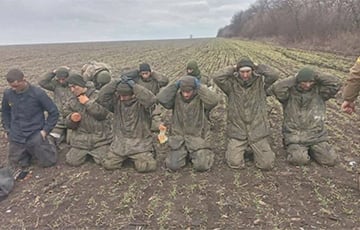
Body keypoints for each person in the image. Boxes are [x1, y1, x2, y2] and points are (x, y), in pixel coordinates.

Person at [211, 57, 278, 170]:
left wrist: (258, 66)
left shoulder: (260, 83)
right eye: (242, 72)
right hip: (238, 132)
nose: (245, 75)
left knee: (267, 164)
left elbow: (274, 75)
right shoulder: (231, 85)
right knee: (234, 163)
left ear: (252, 71)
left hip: (257, 131)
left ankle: (255, 148)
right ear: (238, 72)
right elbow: (217, 77)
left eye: (248, 71)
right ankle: (243, 148)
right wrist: (232, 68)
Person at [269, 67, 341, 166]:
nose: (307, 85)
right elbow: (277, 88)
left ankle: (313, 150)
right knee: (299, 160)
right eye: (304, 82)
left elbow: (336, 83)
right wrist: (296, 77)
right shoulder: (289, 94)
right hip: (295, 137)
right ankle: (297, 150)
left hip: (316, 136)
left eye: (310, 82)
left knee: (330, 160)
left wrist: (315, 74)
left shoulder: (320, 92)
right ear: (298, 82)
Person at [157, 75, 219, 171]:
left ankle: (204, 153)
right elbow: (161, 98)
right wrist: (175, 85)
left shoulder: (201, 99)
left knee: (202, 166)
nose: (186, 95)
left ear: (194, 90)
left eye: (188, 92)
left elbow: (214, 100)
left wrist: (199, 86)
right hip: (179, 140)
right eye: (183, 91)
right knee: (173, 166)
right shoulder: (175, 98)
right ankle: (185, 154)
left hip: (197, 139)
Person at [97, 75, 157, 173]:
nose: (121, 98)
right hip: (120, 145)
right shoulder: (116, 103)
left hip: (139, 145)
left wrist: (134, 86)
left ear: (133, 94)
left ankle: (145, 154)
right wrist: (116, 81)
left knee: (146, 167)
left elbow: (151, 99)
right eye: (120, 95)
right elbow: (101, 97)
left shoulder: (142, 104)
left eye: (125, 96)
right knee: (109, 164)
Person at [1, 68, 59, 170]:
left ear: (24, 80)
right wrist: (8, 129)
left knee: (48, 162)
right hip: (17, 135)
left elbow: (53, 112)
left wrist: (45, 131)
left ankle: (50, 140)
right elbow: (5, 112)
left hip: (35, 133)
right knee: (16, 166)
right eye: (12, 87)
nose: (14, 89)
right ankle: (26, 153)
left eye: (16, 86)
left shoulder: (38, 94)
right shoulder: (8, 94)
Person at [63, 73, 113, 167]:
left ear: (82, 85)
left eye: (74, 86)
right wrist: (71, 119)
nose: (72, 90)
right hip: (81, 141)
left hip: (100, 139)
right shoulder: (71, 101)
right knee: (72, 161)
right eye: (70, 87)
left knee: (106, 161)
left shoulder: (98, 96)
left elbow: (103, 114)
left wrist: (87, 103)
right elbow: (66, 122)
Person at [38, 66, 73, 146]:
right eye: (59, 79)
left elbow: (83, 80)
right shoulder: (55, 85)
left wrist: (70, 71)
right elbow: (42, 82)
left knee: (71, 141)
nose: (61, 81)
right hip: (59, 120)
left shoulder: (74, 85)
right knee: (51, 138)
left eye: (63, 79)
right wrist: (53, 72)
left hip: (72, 120)